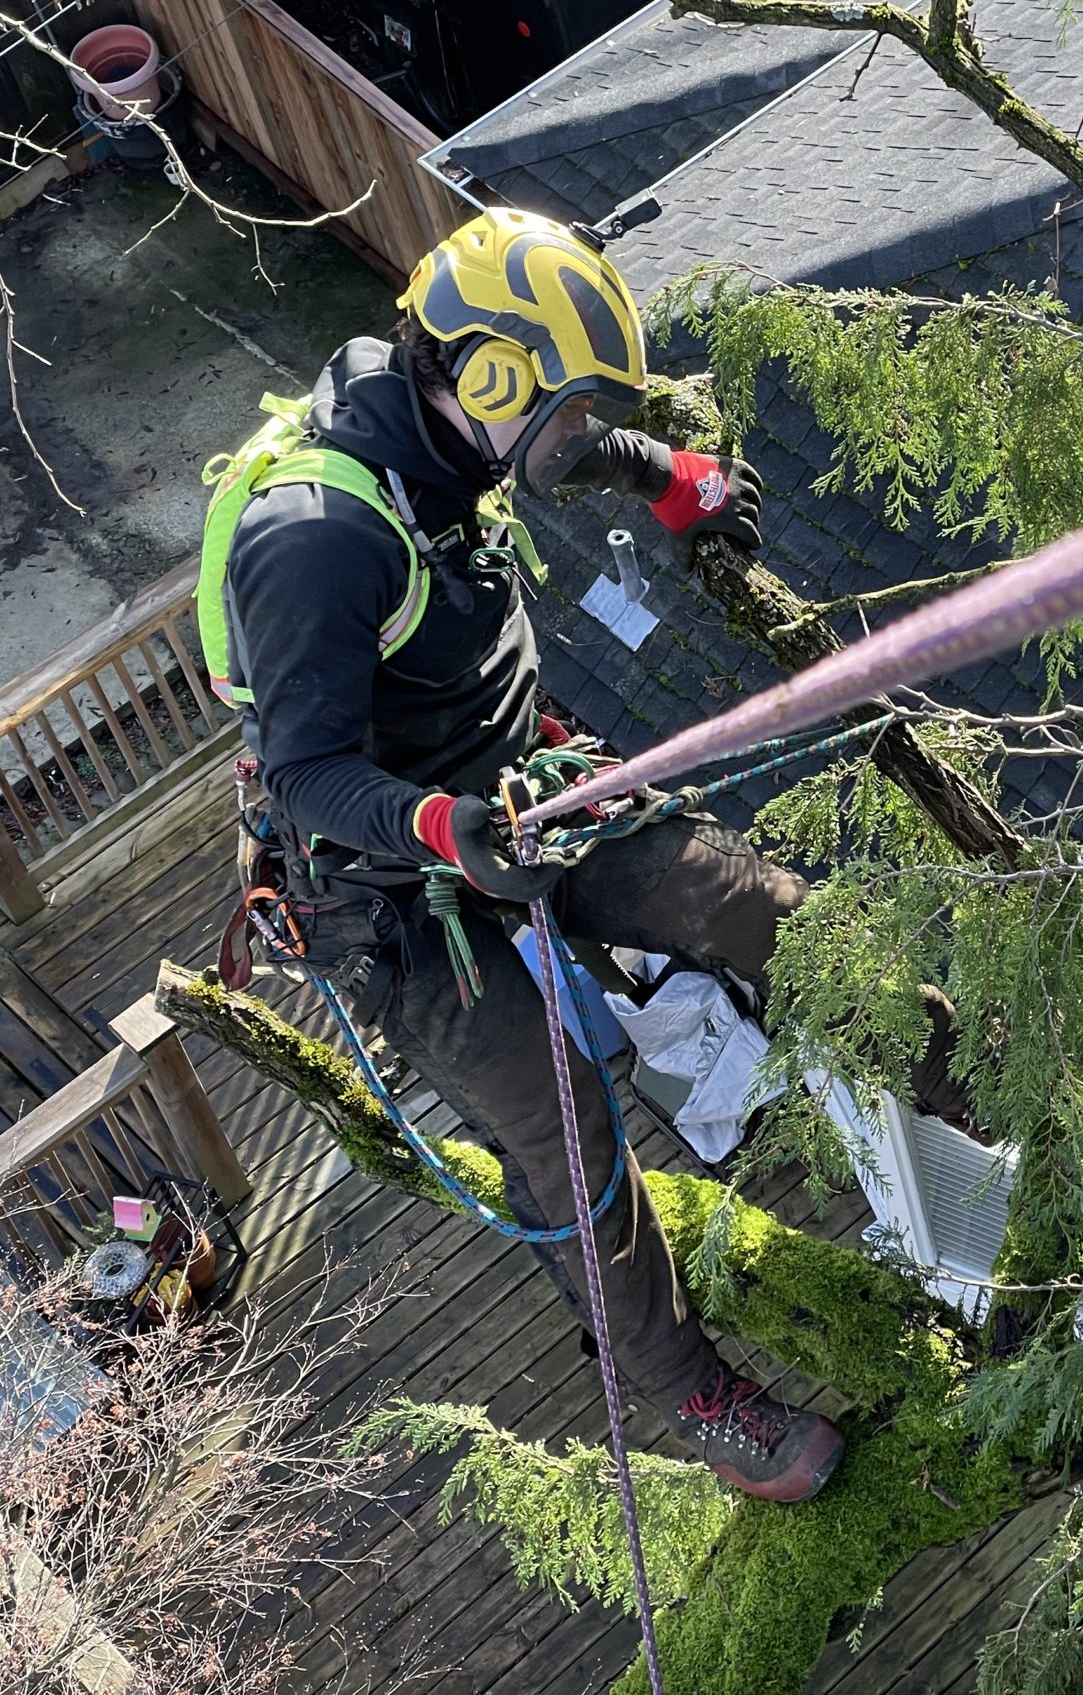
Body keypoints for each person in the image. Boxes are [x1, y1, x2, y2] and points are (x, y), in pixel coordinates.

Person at [211, 208, 889, 1503]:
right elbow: (305, 774)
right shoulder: (317, 537)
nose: (580, 437)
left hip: (522, 790)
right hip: (395, 880)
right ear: (491, 379)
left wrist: (670, 476)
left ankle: (993, 1115)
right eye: (566, 409)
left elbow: (569, 450)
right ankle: (695, 1393)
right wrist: (444, 835)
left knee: (766, 914)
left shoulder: (444, 416)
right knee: (565, 1124)